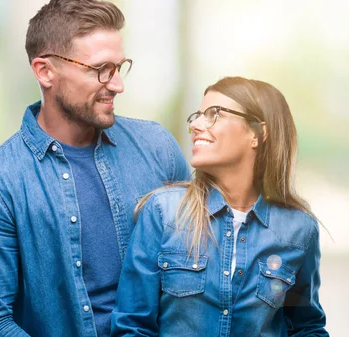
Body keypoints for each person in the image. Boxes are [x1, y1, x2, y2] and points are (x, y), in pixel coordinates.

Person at [0, 1, 189, 336]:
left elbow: (203, 265)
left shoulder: (157, 148)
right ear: (45, 71)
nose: (117, 85)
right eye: (100, 69)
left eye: (119, 68)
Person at [111, 76, 328, 336]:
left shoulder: (299, 231)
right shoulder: (163, 213)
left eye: (214, 114)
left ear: (257, 134)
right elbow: (132, 326)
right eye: (198, 115)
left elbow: (306, 328)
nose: (195, 125)